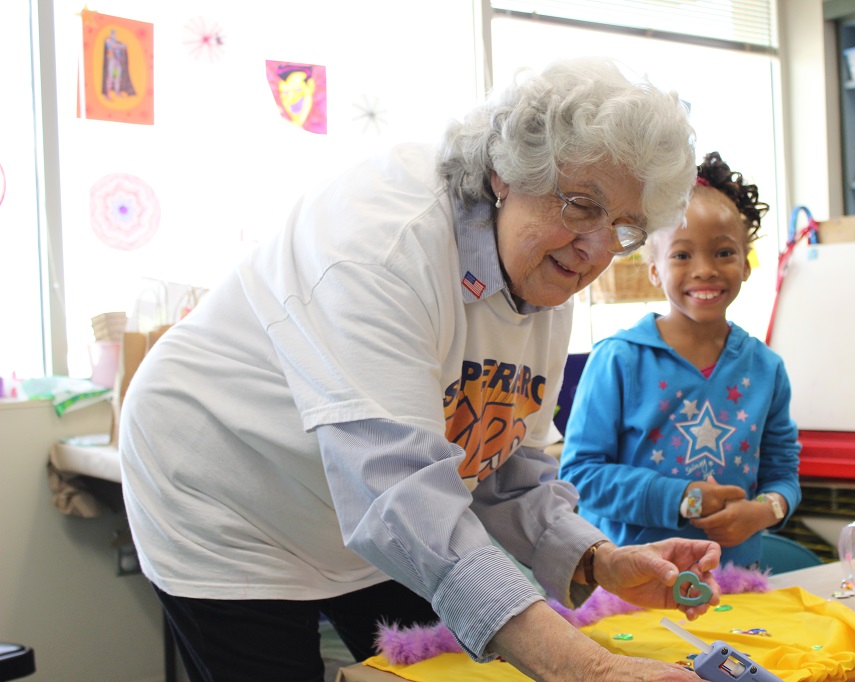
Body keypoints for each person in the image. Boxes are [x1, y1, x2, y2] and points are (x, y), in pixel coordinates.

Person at [119, 57, 724, 681]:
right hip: (223, 493)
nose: (596, 250)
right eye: (579, 206)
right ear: (505, 175)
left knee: (457, 663)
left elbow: (500, 465)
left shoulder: (545, 270)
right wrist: (588, 669)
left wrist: (598, 560)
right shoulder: (381, 244)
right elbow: (400, 494)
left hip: (360, 512)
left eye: (623, 228)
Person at [559, 151, 801, 570]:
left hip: (735, 583)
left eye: (724, 253)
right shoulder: (618, 359)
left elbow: (783, 475)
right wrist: (683, 499)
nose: (705, 270)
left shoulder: (766, 368)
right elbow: (581, 476)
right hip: (632, 588)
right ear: (653, 268)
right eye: (682, 255)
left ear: (746, 264)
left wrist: (765, 511)